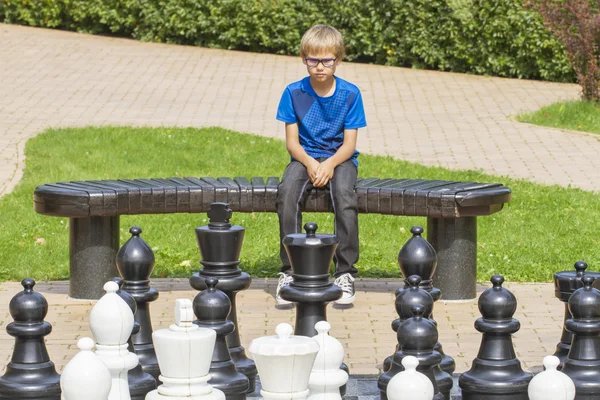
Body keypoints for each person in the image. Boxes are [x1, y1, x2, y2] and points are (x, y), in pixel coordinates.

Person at [275, 24, 367, 305]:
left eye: (327, 60)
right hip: (305, 157)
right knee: (287, 193)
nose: (319, 67)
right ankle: (290, 271)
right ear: (304, 58)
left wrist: (328, 165)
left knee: (343, 195)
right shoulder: (293, 92)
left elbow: (349, 145)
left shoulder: (351, 94)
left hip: (340, 159)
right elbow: (292, 143)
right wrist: (311, 162)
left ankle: (345, 272)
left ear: (338, 60)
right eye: (312, 60)